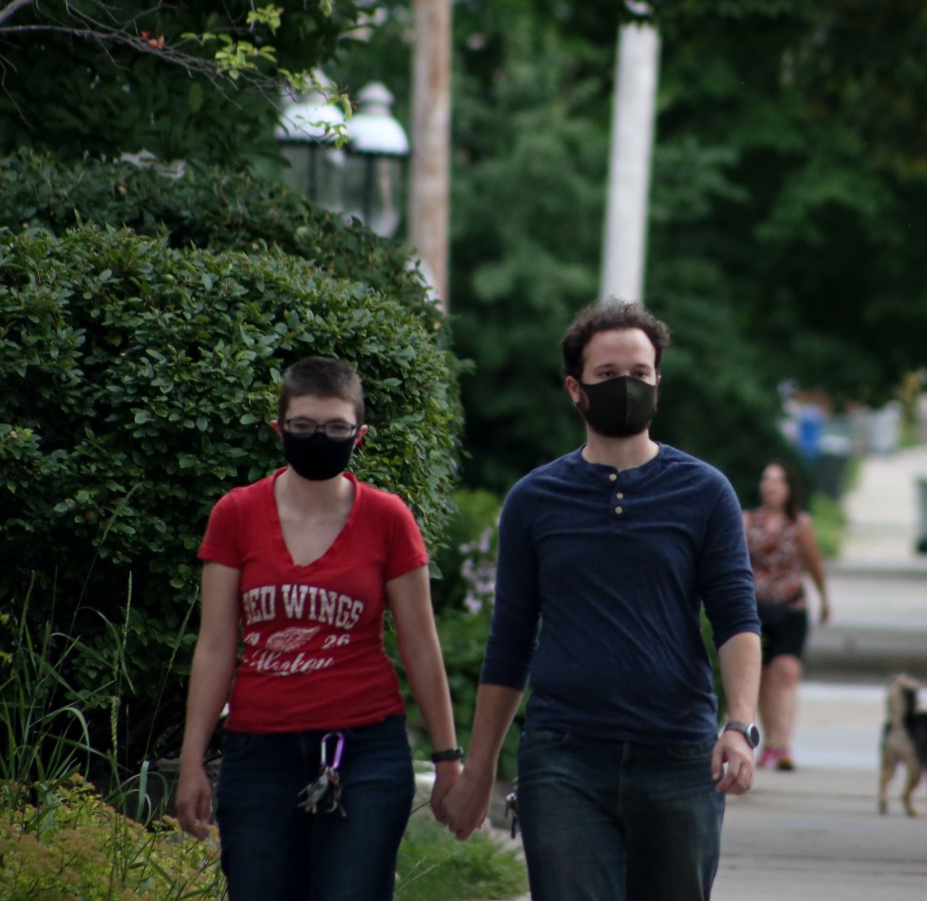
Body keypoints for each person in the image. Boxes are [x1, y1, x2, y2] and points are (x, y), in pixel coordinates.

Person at [437, 298, 763, 901]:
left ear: (658, 381)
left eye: (640, 374)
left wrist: (740, 725)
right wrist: (480, 768)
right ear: (575, 388)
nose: (627, 387)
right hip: (565, 758)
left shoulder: (705, 492)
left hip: (678, 756)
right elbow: (510, 641)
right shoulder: (536, 500)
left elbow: (736, 615)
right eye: (609, 376)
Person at [174, 356, 462, 901]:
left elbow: (421, 647)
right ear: (278, 429)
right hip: (259, 752)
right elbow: (214, 647)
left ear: (359, 435)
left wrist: (448, 761)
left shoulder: (388, 518)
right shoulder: (235, 515)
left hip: (365, 748)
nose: (318, 439)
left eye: (334, 428)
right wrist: (192, 763)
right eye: (303, 427)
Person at [744, 462, 830, 771]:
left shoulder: (800, 524)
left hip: (792, 607)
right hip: (756, 608)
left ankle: (784, 745)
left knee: (787, 672)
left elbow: (814, 563)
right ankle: (769, 743)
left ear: (789, 489)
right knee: (764, 677)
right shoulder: (746, 522)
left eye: (778, 481)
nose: (771, 486)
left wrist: (824, 597)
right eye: (767, 479)